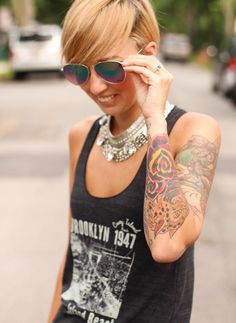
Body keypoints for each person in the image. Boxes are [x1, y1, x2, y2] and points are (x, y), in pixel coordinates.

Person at [48, 1, 221, 322]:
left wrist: (155, 118)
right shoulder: (81, 135)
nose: (96, 87)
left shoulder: (192, 131)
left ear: (148, 55)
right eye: (79, 72)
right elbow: (74, 250)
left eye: (109, 68)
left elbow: (167, 246)